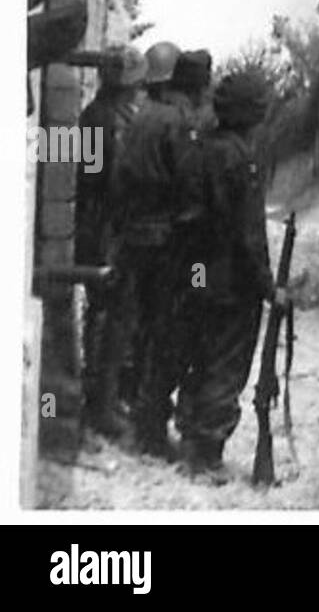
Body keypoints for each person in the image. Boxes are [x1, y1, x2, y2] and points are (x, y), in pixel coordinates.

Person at [173, 70, 285, 480]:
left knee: (198, 352)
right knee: (226, 361)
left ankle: (189, 440)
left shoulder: (200, 148)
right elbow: (248, 235)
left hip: (197, 273)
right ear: (252, 114)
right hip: (229, 281)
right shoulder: (241, 159)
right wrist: (268, 287)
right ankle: (206, 454)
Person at [112, 40, 198, 457]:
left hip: (131, 236)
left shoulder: (138, 118)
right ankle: (149, 428)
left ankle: (129, 408)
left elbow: (114, 179)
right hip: (164, 240)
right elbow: (186, 183)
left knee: (138, 324)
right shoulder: (173, 122)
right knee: (163, 333)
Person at [76, 46, 147, 438]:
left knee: (103, 315)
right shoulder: (114, 122)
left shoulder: (89, 115)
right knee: (115, 317)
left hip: (92, 224)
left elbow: (69, 171)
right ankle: (103, 407)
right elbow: (113, 181)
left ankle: (101, 399)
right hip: (111, 228)